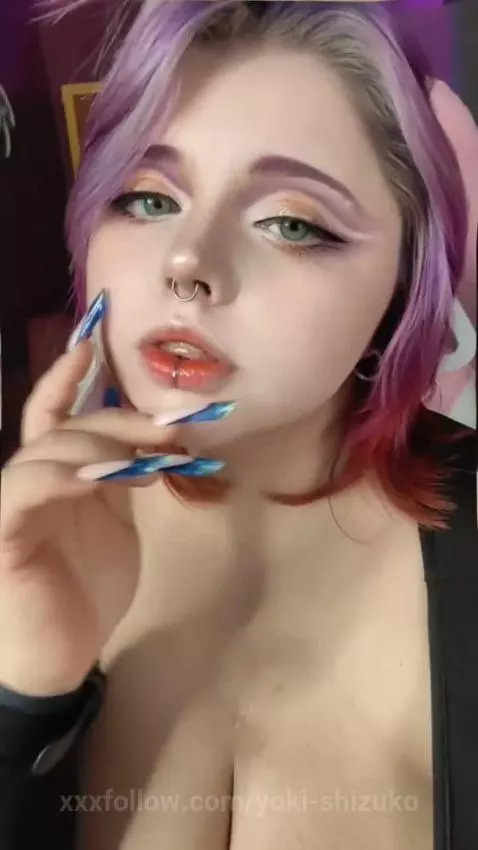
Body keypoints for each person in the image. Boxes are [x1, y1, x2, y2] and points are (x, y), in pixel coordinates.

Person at [0, 1, 476, 848]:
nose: (189, 263)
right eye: (147, 199)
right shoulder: (19, 534)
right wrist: (19, 695)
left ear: (405, 281)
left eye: (290, 223)